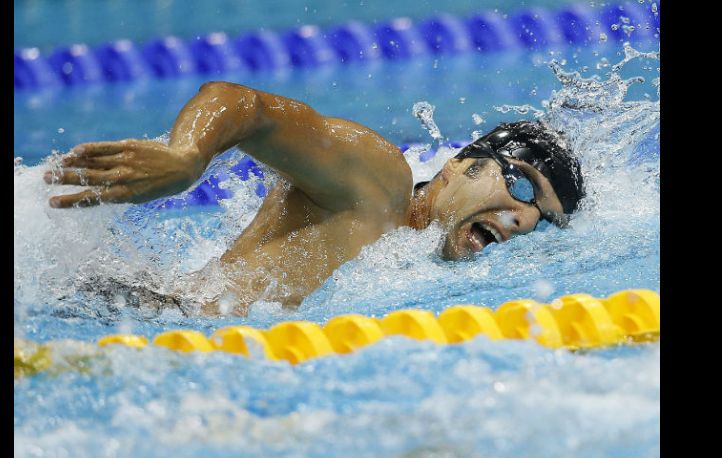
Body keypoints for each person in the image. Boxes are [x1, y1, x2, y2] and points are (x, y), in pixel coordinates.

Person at [44, 81, 585, 316]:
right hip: (147, 317)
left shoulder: (422, 264)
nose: (522, 220)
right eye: (521, 186)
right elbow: (243, 104)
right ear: (460, 164)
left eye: (542, 218)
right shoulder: (378, 183)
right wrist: (187, 159)